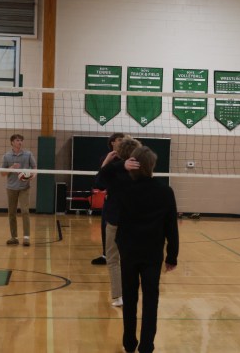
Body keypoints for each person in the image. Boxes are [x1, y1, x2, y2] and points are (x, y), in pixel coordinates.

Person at [116, 146, 179, 353]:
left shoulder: (124, 188)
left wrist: (119, 165)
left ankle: (128, 343)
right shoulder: (165, 191)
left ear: (133, 165)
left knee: (130, 297)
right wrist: (172, 256)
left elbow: (101, 180)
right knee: (151, 299)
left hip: (128, 251)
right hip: (152, 253)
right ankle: (146, 346)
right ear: (152, 166)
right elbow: (171, 226)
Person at [96, 136, 142, 307]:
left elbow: (99, 184)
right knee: (130, 259)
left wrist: (107, 162)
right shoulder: (141, 169)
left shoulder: (112, 170)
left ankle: (118, 296)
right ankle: (130, 294)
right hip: (134, 222)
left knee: (113, 259)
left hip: (115, 220)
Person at [91, 132, 124, 265]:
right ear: (113, 143)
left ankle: (124, 255)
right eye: (119, 139)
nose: (122, 142)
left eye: (124, 140)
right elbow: (101, 181)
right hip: (112, 198)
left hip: (126, 199)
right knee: (106, 227)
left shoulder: (129, 158)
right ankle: (106, 255)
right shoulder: (107, 158)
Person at [1, 134, 37, 246]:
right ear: (12, 142)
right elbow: (2, 173)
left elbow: (35, 168)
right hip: (11, 188)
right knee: (12, 213)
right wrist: (11, 168)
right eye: (17, 140)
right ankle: (14, 237)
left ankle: (26, 237)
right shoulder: (6, 156)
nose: (20, 142)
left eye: (21, 140)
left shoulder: (28, 154)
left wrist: (32, 175)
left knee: (25, 211)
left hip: (24, 187)